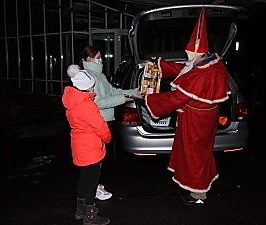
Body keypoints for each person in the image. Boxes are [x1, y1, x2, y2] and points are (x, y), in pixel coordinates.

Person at [145, 7, 230, 206]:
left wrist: (150, 99)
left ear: (196, 51)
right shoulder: (208, 61)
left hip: (196, 122)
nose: (187, 56)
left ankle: (198, 194)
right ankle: (196, 185)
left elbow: (177, 98)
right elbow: (185, 70)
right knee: (199, 153)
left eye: (189, 53)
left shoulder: (204, 72)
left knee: (194, 156)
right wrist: (161, 64)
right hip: (202, 119)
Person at [79, 45, 139, 200]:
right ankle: (92, 190)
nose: (101, 61)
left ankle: (93, 186)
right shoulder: (89, 77)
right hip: (96, 122)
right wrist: (122, 99)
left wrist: (132, 92)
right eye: (98, 58)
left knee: (98, 158)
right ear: (89, 59)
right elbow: (97, 102)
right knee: (94, 159)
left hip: (103, 121)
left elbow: (112, 91)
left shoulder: (99, 75)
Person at [62, 64, 111, 225]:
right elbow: (100, 126)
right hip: (90, 147)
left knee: (83, 177)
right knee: (92, 180)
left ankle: (80, 208)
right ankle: (89, 215)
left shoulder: (72, 102)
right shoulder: (87, 105)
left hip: (78, 145)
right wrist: (108, 138)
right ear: (87, 86)